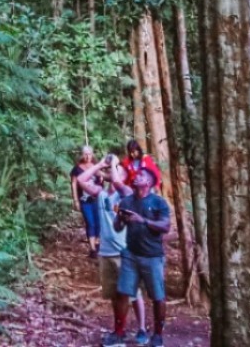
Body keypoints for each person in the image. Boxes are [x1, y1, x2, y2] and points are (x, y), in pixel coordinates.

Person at [79, 154, 148, 346]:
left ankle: (141, 328)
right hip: (106, 253)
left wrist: (116, 165)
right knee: (115, 295)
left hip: (124, 252)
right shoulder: (101, 194)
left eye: (118, 170)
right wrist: (100, 164)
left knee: (132, 294)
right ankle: (120, 331)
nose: (113, 172)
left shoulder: (126, 194)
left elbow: (118, 182)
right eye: (112, 170)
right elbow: (81, 179)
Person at [110, 164, 172, 347]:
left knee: (157, 296)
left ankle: (158, 335)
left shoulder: (158, 202)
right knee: (122, 292)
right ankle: (119, 332)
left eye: (142, 175)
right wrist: (120, 218)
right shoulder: (127, 201)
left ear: (150, 182)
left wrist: (143, 220)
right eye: (137, 174)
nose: (137, 176)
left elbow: (165, 227)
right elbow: (117, 227)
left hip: (152, 256)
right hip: (131, 254)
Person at [71, 146, 101, 256]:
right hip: (84, 200)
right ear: (82, 155)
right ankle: (92, 249)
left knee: (98, 222)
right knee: (90, 222)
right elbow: (74, 184)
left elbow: (101, 180)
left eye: (89, 154)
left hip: (96, 199)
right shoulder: (77, 169)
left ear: (92, 154)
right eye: (85, 154)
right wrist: (75, 200)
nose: (87, 156)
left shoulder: (95, 167)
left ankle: (97, 243)